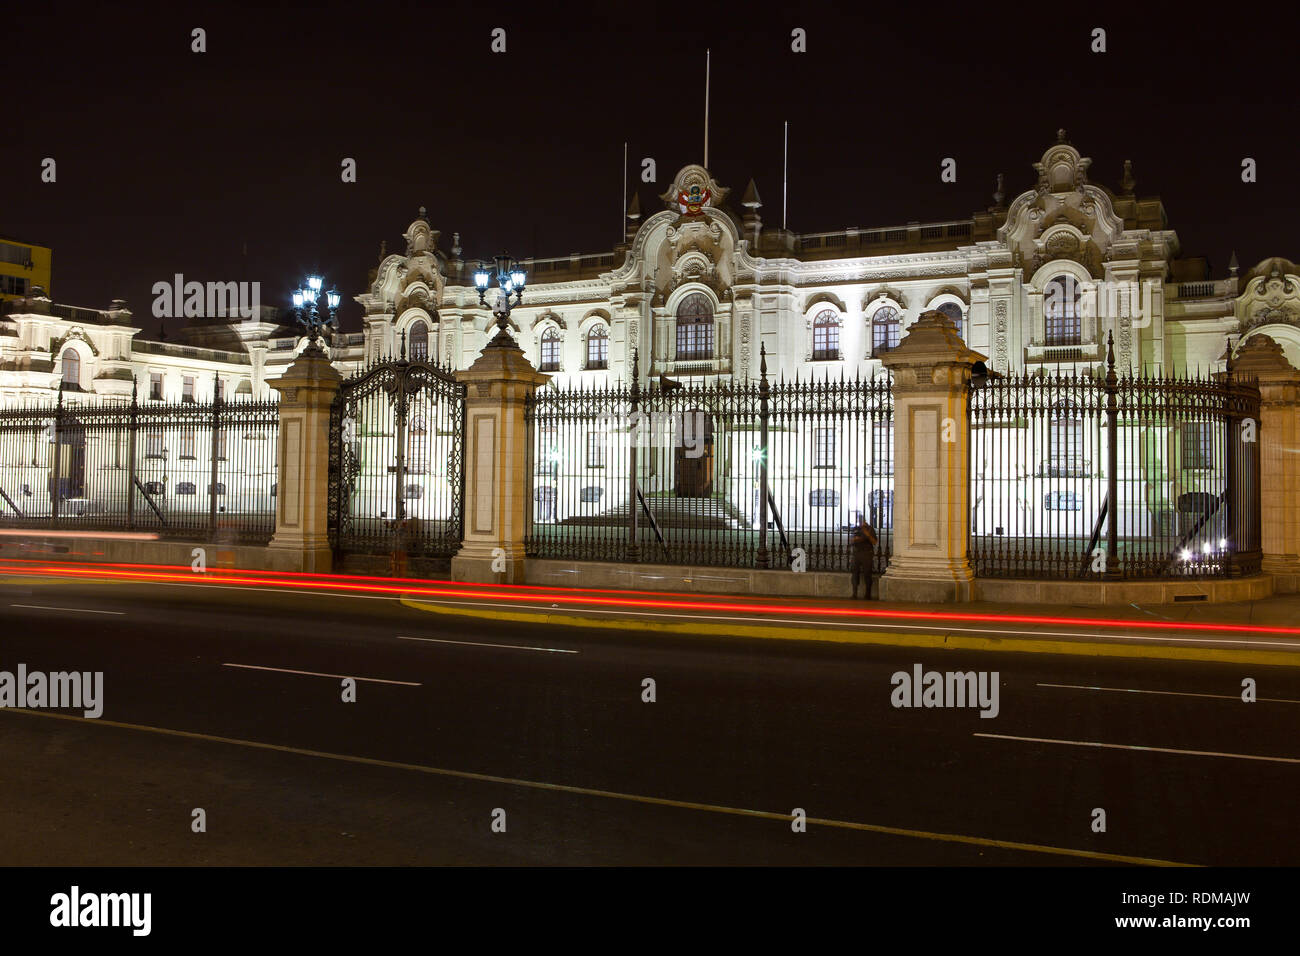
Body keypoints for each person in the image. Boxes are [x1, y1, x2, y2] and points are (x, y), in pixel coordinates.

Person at [850, 517, 878, 600]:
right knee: (855, 574)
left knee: (867, 574)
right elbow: (852, 540)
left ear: (865, 521)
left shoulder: (870, 529)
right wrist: (861, 538)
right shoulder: (856, 529)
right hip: (857, 553)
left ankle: (867, 594)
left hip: (867, 554)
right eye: (859, 520)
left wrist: (867, 535)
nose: (860, 522)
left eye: (862, 520)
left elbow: (874, 541)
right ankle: (854, 593)